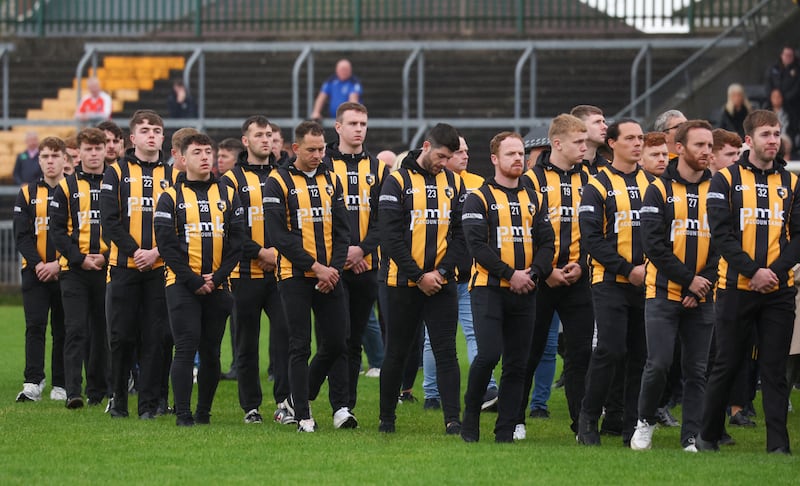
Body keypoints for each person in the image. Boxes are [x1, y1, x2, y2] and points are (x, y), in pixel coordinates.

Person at [697, 110, 800, 455]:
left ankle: (778, 446)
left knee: (774, 369)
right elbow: (721, 234)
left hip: (779, 290)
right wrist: (752, 271)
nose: (773, 140)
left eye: (776, 133)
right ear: (748, 140)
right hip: (735, 288)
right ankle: (707, 436)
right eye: (766, 134)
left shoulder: (792, 183)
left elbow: (798, 236)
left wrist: (774, 272)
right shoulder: (724, 180)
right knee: (727, 363)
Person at [460, 131, 555, 443]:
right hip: (489, 289)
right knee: (488, 354)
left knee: (518, 362)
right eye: (510, 154)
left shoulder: (534, 198)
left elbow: (547, 243)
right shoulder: (479, 197)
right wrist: (510, 274)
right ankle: (470, 417)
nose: (517, 159)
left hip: (526, 289)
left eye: (520, 154)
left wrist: (533, 274)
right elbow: (477, 246)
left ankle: (505, 429)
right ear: (494, 159)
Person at [631, 120, 718, 452]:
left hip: (703, 294)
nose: (706, 152)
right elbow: (653, 244)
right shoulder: (659, 188)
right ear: (679, 148)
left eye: (710, 146)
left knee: (697, 370)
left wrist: (702, 286)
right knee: (659, 364)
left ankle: (692, 436)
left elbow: (724, 241)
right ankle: (644, 422)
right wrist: (688, 281)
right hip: (663, 292)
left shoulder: (719, 188)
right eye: (699, 145)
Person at [264, 121, 355, 433]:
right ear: (295, 149)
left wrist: (334, 269)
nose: (319, 155)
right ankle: (303, 415)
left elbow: (344, 230)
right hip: (295, 276)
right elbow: (278, 235)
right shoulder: (277, 181)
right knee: (300, 344)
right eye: (312, 149)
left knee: (337, 342)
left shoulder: (332, 178)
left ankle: (340, 408)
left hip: (330, 275)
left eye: (322, 148)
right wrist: (316, 268)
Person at [377, 123, 466, 434]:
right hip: (401, 283)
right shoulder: (397, 180)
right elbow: (389, 236)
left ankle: (453, 419)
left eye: (448, 158)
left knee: (446, 351)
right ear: (427, 147)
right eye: (440, 156)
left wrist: (440, 273)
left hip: (441, 284)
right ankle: (387, 418)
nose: (443, 163)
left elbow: (461, 234)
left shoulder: (454, 183)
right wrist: (418, 275)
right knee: (397, 351)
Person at [154, 133, 244, 426]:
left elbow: (238, 242)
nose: (206, 157)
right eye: (197, 152)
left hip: (219, 285)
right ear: (182, 158)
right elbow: (166, 245)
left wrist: (216, 278)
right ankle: (182, 413)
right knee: (186, 346)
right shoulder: (169, 197)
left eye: (209, 151)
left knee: (211, 351)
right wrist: (193, 280)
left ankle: (204, 412)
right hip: (182, 285)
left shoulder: (229, 193)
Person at [577, 119, 653, 446]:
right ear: (612, 143)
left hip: (646, 281)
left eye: (641, 138)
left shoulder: (654, 184)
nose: (638, 144)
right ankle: (589, 419)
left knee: (641, 353)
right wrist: (627, 268)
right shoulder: (597, 184)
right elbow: (591, 238)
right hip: (608, 279)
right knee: (610, 347)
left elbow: (662, 234)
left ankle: (631, 426)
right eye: (631, 138)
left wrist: (649, 268)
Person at [518, 114, 594, 440]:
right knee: (529, 351)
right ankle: (515, 418)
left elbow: (599, 227)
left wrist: (585, 264)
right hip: (541, 279)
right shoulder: (531, 180)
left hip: (579, 278)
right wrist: (543, 270)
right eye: (579, 142)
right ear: (558, 143)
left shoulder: (591, 177)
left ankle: (582, 424)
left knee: (580, 354)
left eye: (586, 141)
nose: (585, 148)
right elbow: (522, 231)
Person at [100, 110, 174, 419]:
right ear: (133, 138)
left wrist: (155, 253)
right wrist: (136, 253)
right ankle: (118, 400)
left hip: (158, 270)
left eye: (156, 130)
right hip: (123, 268)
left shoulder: (173, 176)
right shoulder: (115, 172)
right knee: (121, 337)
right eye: (145, 130)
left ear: (163, 137)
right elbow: (110, 221)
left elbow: (179, 225)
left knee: (155, 338)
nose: (151, 135)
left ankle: (149, 405)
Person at [220, 116, 291, 425]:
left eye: (270, 135)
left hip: (281, 274)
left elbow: (295, 222)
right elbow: (229, 228)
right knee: (246, 344)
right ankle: (251, 407)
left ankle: (285, 404)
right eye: (259, 135)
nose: (266, 140)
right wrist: (260, 251)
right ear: (245, 141)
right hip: (244, 274)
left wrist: (278, 252)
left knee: (287, 340)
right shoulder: (231, 180)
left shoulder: (287, 175)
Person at [422, 134, 498, 411]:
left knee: (476, 333)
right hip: (438, 274)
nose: (465, 156)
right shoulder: (431, 183)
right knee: (434, 338)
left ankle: (488, 389)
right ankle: (432, 393)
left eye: (466, 151)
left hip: (469, 274)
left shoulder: (478, 183)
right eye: (458, 152)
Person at [320, 102, 388, 412]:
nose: (359, 129)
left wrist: (362, 249)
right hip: (331, 266)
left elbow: (385, 218)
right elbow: (318, 217)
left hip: (366, 266)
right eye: (353, 123)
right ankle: (336, 403)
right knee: (335, 338)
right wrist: (344, 252)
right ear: (338, 127)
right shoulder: (322, 164)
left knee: (354, 339)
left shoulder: (378, 168)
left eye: (363, 123)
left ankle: (347, 405)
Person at [49, 128, 110, 409]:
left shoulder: (116, 183)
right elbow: (57, 231)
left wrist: (104, 256)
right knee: (75, 329)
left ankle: (97, 389)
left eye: (98, 149)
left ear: (105, 151)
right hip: (74, 270)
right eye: (88, 149)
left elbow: (122, 224)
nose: (94, 154)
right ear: (80, 153)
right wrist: (80, 258)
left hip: (107, 267)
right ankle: (74, 390)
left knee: (102, 330)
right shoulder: (66, 187)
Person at [13, 136, 67, 402]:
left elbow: (79, 233)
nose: (49, 161)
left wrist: (58, 264)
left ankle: (61, 383)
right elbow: (22, 235)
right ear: (39, 160)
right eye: (45, 156)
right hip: (35, 271)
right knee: (34, 325)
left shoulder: (72, 192)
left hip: (66, 270)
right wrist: (39, 264)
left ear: (64, 160)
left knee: (63, 328)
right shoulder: (26, 192)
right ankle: (33, 380)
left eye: (55, 156)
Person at [570, 105, 609, 174]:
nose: (605, 127)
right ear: (578, 127)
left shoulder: (610, 168)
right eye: (597, 122)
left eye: (604, 122)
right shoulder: (564, 167)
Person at [764, 46, 799, 120]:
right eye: (786, 55)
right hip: (773, 103)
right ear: (781, 55)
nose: (788, 57)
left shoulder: (797, 69)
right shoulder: (773, 68)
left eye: (790, 55)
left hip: (792, 104)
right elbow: (768, 83)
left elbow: (797, 88)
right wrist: (773, 98)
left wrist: (783, 100)